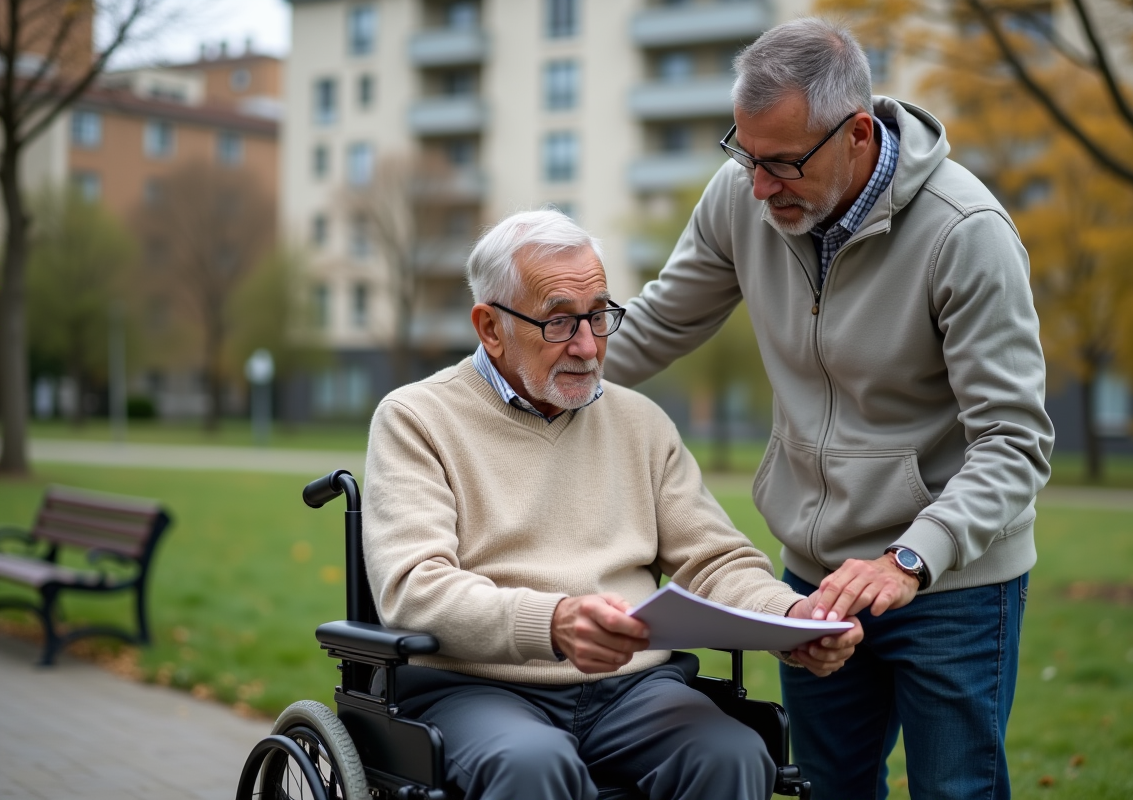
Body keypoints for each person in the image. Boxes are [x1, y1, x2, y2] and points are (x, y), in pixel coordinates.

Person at [602, 18, 1055, 800]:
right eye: (745, 157)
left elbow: (1013, 441)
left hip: (952, 582)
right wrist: (501, 379)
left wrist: (910, 559)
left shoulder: (965, 234)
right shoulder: (744, 199)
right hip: (814, 578)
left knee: (956, 792)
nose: (759, 187)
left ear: (856, 133)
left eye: (780, 164)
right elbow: (653, 325)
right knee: (828, 790)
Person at [361, 209, 863, 800]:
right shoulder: (416, 418)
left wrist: (789, 618)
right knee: (532, 766)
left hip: (633, 690)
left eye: (599, 316)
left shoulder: (640, 422)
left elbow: (715, 561)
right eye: (559, 322)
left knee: (733, 754)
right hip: (474, 687)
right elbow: (415, 588)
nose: (587, 346)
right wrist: (552, 623)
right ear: (490, 327)